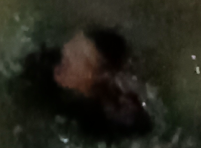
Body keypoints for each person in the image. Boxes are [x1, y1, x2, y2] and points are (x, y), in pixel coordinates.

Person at [23, 28, 152, 140]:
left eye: (79, 57)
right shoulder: (46, 66)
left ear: (96, 81)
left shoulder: (118, 117)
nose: (67, 51)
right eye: (71, 48)